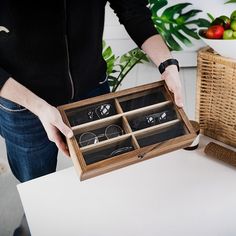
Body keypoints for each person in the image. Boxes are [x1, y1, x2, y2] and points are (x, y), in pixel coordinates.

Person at [0, 0, 182, 234]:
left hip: (91, 90)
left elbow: (132, 9)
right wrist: (38, 106)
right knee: (38, 192)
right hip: (23, 103)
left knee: (103, 179)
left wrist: (167, 64)